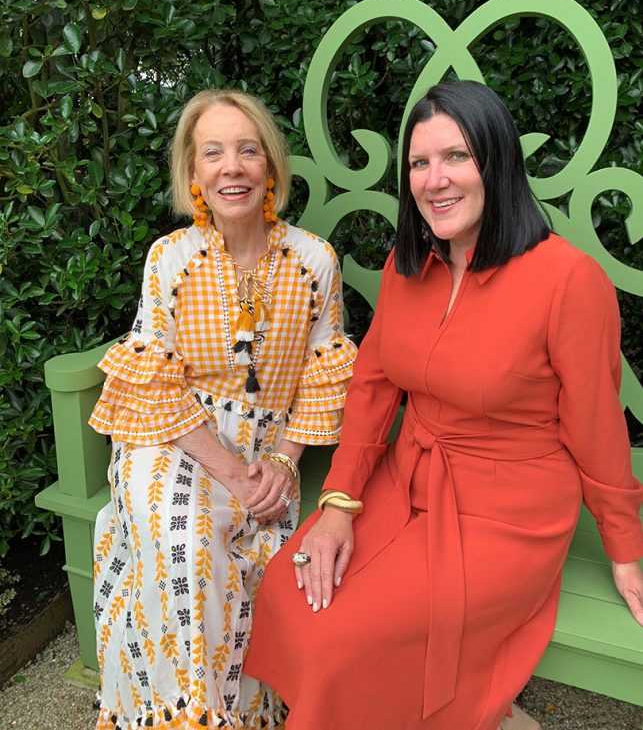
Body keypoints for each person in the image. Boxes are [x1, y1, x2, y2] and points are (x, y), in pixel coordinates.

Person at [244, 80, 643, 730]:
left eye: (456, 156)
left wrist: (624, 550)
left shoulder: (568, 280)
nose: (435, 180)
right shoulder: (409, 259)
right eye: (419, 162)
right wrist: (339, 504)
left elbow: (596, 425)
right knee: (292, 592)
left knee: (347, 635)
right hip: (406, 481)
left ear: (497, 162)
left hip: (508, 512)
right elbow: (373, 385)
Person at [88, 90, 357, 730]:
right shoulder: (170, 258)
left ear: (270, 166)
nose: (231, 166)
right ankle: (195, 719)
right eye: (213, 153)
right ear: (193, 174)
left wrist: (286, 465)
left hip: (268, 449)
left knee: (245, 544)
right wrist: (229, 471)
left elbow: (324, 375)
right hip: (173, 436)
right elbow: (153, 382)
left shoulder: (314, 260)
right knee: (179, 539)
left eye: (247, 149)